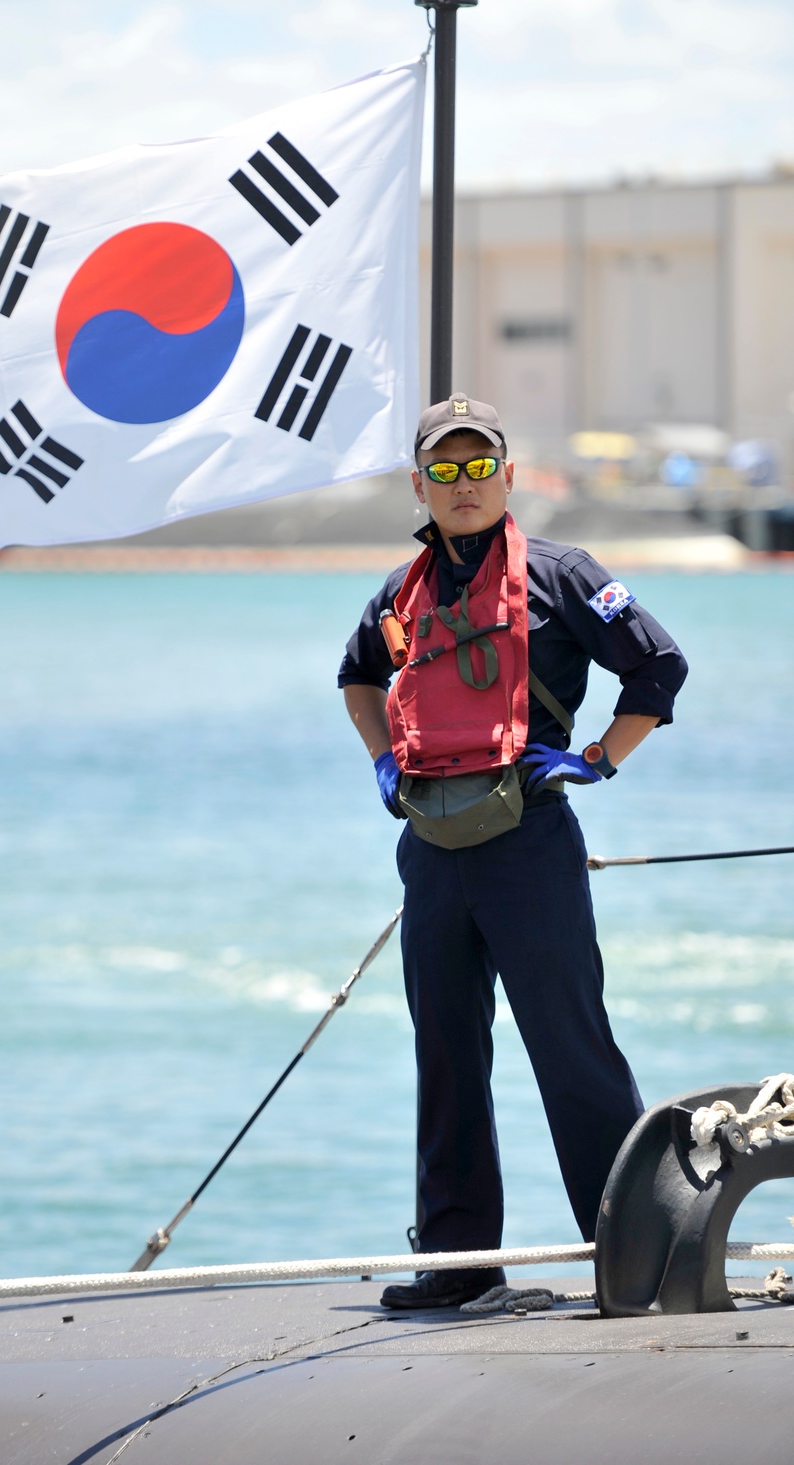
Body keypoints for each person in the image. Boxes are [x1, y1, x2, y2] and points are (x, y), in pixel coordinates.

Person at [338, 393, 687, 1310]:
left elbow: (659, 668)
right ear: (420, 482)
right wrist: (383, 759)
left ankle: (638, 1260)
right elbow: (356, 677)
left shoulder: (564, 574)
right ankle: (459, 1267)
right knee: (445, 1050)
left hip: (528, 837)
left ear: (507, 474)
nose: (463, 483)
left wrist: (599, 759)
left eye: (478, 464)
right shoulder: (401, 590)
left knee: (571, 1047)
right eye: (444, 470)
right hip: (432, 849)